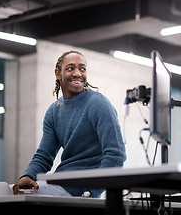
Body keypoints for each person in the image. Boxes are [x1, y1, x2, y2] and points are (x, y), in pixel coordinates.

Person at [12, 51, 127, 198]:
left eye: (82, 69)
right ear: (58, 74)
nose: (78, 73)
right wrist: (27, 176)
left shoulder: (99, 104)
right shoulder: (53, 111)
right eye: (70, 68)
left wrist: (91, 193)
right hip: (59, 184)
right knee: (4, 193)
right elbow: (44, 156)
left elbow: (116, 155)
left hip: (81, 191)